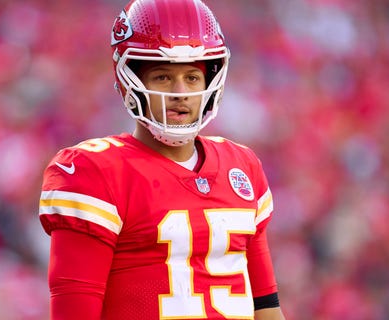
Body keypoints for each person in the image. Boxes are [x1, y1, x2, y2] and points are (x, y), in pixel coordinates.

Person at [38, 0, 286, 319]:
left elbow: (266, 308)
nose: (180, 92)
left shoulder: (242, 166)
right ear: (130, 79)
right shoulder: (94, 172)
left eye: (192, 78)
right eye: (163, 77)